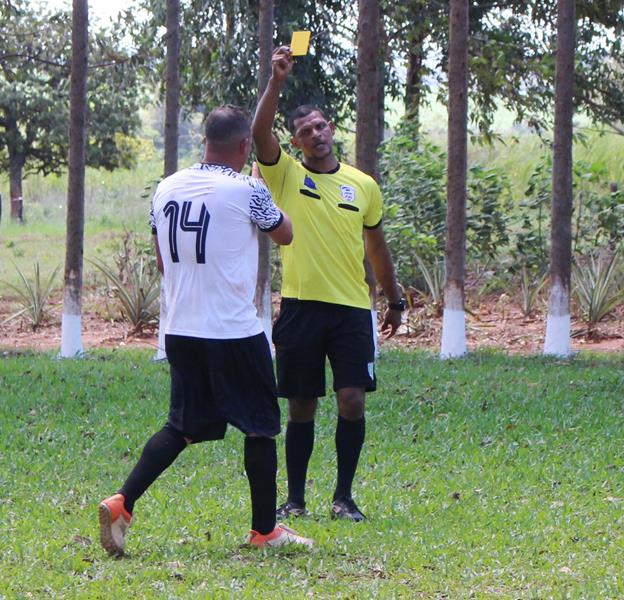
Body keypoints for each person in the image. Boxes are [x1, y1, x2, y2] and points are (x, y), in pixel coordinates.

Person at [98, 104, 313, 556]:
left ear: (205, 142)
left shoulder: (166, 187)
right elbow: (286, 234)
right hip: (233, 330)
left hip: (180, 327)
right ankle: (264, 531)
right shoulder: (249, 188)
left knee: (182, 427)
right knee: (260, 427)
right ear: (243, 147)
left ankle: (122, 502)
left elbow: (162, 259)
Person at [252, 47, 405, 522]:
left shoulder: (363, 185)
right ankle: (295, 500)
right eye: (305, 131)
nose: (316, 134)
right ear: (295, 143)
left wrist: (395, 298)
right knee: (301, 405)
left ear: (331, 129)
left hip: (351, 311)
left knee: (352, 400)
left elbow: (377, 248)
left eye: (321, 126)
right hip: (300, 308)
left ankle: (344, 497)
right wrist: (276, 82)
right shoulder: (285, 176)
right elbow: (259, 135)